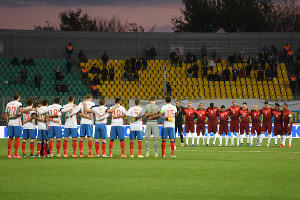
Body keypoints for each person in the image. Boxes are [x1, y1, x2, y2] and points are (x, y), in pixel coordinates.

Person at [5, 93, 36, 158]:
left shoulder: (8, 104)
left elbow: (6, 114)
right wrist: (31, 109)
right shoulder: (19, 104)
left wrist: (7, 122)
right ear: (18, 97)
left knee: (10, 138)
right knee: (17, 139)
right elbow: (21, 110)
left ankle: (9, 154)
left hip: (10, 122)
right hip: (17, 123)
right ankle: (15, 154)